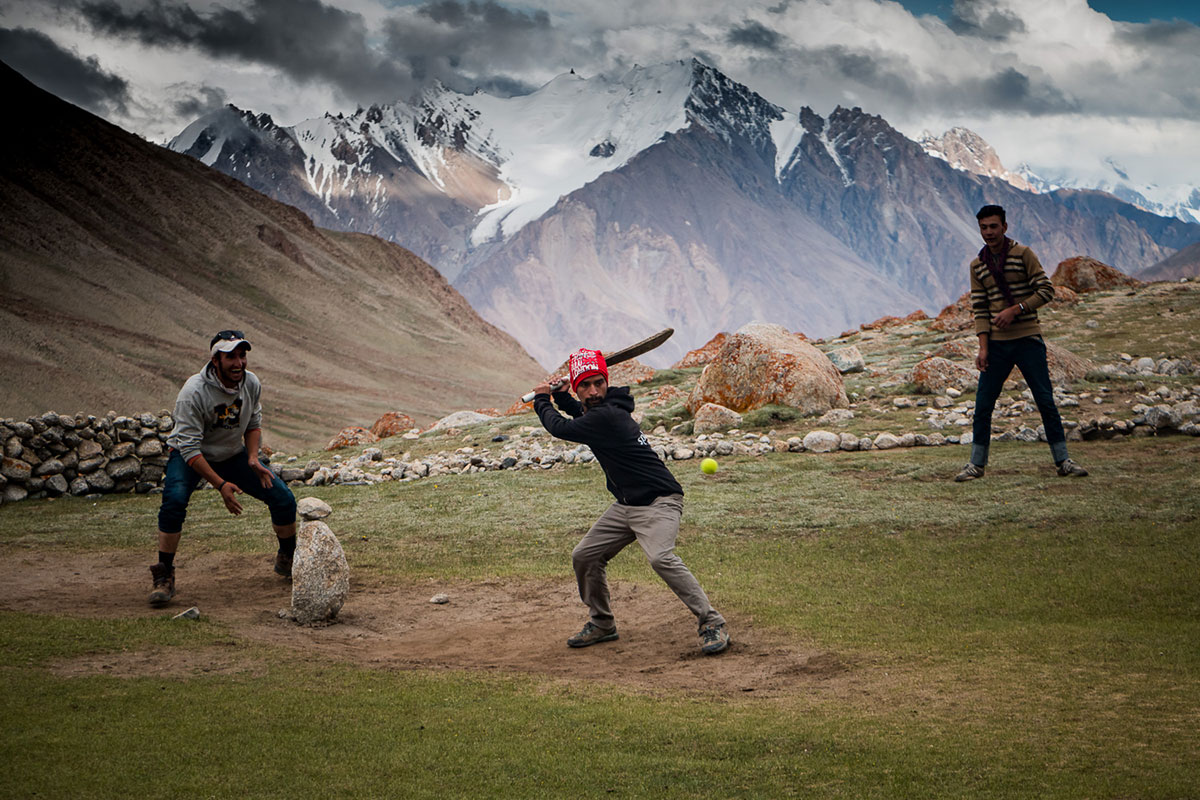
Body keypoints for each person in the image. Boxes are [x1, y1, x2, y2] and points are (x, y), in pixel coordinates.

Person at [531, 349, 730, 655]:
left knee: (661, 558)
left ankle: (712, 622)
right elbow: (581, 413)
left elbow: (561, 428)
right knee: (585, 556)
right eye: (585, 385)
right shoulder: (602, 410)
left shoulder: (608, 415)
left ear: (607, 382)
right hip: (627, 505)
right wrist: (560, 396)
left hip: (659, 501)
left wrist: (542, 400)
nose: (594, 391)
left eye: (599, 383)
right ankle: (602, 624)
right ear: (578, 389)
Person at [148, 330, 298, 606]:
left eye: (242, 356)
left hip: (231, 453)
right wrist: (221, 485)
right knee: (174, 502)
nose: (239, 363)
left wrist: (252, 458)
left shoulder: (250, 383)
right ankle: (164, 574)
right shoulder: (193, 392)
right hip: (190, 456)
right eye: (231, 357)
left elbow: (253, 422)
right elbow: (189, 448)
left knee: (282, 498)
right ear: (215, 360)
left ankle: (289, 558)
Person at [955, 205, 1088, 482]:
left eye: (993, 226)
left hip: (1028, 340)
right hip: (997, 345)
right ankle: (976, 465)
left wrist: (1016, 309)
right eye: (983, 227)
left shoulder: (1023, 254)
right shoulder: (977, 266)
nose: (989, 232)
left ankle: (1063, 461)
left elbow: (1046, 290)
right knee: (983, 406)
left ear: (1004, 226)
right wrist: (983, 347)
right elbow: (980, 308)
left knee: (1045, 401)